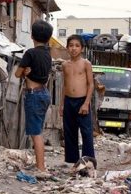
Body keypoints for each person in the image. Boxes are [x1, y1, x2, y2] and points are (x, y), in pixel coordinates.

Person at [15, 19, 53, 174]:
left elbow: (17, 74)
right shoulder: (47, 55)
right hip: (44, 93)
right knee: (38, 131)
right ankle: (40, 164)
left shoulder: (30, 53)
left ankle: (41, 167)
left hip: (34, 94)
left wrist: (24, 71)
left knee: (35, 133)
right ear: (49, 38)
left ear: (32, 36)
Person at [59, 34, 95, 164]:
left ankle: (88, 161)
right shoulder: (64, 65)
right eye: (71, 45)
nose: (74, 48)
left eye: (77, 46)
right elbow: (65, 85)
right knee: (70, 132)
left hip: (82, 101)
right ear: (67, 48)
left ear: (82, 49)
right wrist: (62, 105)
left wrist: (86, 103)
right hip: (69, 101)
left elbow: (91, 84)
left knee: (86, 132)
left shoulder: (86, 64)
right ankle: (73, 162)